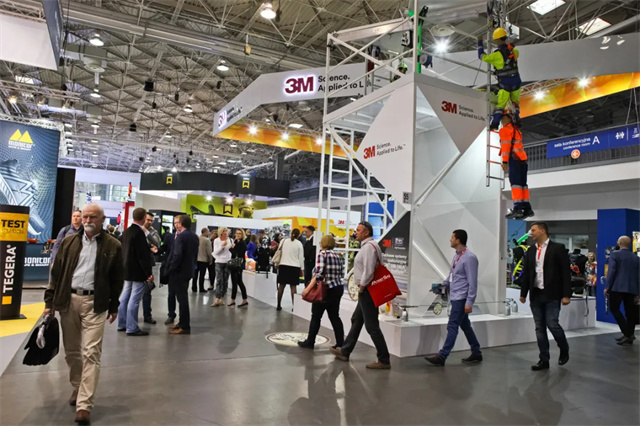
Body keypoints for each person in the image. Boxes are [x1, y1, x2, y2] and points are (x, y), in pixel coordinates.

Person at [43, 202, 124, 425]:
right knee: (71, 352)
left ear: (102, 219)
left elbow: (117, 279)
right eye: (85, 217)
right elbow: (56, 274)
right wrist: (49, 302)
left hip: (95, 304)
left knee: (91, 353)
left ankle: (84, 405)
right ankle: (78, 386)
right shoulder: (69, 242)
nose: (87, 220)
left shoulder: (113, 245)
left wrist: (114, 306)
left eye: (92, 217)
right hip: (68, 301)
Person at [330, 222, 390, 369]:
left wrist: (361, 288)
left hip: (368, 290)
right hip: (367, 290)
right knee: (357, 319)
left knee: (372, 326)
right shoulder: (368, 246)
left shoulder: (369, 248)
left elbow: (368, 272)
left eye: (358, 230)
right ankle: (345, 351)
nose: (355, 232)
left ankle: (384, 360)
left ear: (366, 232)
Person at [425, 230, 482, 366]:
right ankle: (476, 352)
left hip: (461, 298)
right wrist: (442, 286)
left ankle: (442, 356)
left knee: (452, 326)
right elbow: (452, 276)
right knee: (465, 325)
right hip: (455, 296)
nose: (450, 240)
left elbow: (473, 282)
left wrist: (469, 302)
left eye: (452, 237)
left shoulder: (470, 258)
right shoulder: (457, 256)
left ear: (458, 240)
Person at [519, 222, 571, 371]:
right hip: (536, 294)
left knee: (552, 323)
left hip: (552, 294)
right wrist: (523, 293)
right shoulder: (531, 250)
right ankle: (544, 359)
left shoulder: (558, 248)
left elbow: (565, 273)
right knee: (539, 327)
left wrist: (566, 295)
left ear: (542, 231)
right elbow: (527, 273)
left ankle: (564, 348)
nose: (531, 233)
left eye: (533, 230)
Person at [298, 235, 345, 350]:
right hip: (337, 288)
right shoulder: (338, 256)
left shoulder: (322, 254)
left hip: (324, 290)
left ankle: (310, 341)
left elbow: (319, 274)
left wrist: (307, 289)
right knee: (335, 317)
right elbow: (341, 274)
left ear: (322, 243)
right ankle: (340, 344)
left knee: (316, 316)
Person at [117, 207, 154, 336]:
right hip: (137, 271)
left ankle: (122, 323)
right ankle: (132, 327)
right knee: (135, 299)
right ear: (143, 218)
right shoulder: (139, 233)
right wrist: (148, 273)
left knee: (125, 296)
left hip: (127, 269)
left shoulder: (126, 232)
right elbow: (142, 255)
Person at [478, 28, 521, 130]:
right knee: (515, 103)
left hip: (505, 83)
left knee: (500, 105)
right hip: (516, 82)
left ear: (496, 40)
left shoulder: (496, 55)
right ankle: (517, 120)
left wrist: (480, 42)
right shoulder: (514, 51)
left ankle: (495, 123)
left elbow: (481, 56)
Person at [165, 214, 199, 334]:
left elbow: (177, 255)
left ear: (181, 223)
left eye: (177, 222)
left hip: (179, 272)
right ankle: (181, 323)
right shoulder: (194, 236)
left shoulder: (180, 237)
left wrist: (171, 269)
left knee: (182, 299)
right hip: (188, 271)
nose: (176, 225)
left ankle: (184, 326)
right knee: (182, 298)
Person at [604, 236, 640, 346]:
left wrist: (607, 286)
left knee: (614, 309)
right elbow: (638, 275)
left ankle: (627, 333)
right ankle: (628, 335)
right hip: (632, 288)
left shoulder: (615, 254)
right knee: (630, 313)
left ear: (619, 243)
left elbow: (612, 271)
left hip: (617, 287)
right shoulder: (636, 258)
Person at [500, 111, 533, 220]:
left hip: (514, 159)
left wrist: (505, 162)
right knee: (523, 185)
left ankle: (518, 207)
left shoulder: (505, 130)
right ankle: (527, 208)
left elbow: (506, 147)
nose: (502, 121)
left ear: (509, 119)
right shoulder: (516, 130)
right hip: (522, 159)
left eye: (503, 118)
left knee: (515, 184)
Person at [276, 228, 305, 311]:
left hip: (283, 265)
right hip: (294, 267)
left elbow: (279, 252)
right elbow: (301, 258)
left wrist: (277, 264)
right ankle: (294, 306)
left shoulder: (283, 241)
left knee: (281, 286)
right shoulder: (299, 244)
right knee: (293, 287)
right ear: (298, 235)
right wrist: (302, 269)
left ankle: (278, 304)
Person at [142, 212, 160, 324]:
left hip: (148, 264)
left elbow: (157, 243)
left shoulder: (153, 232)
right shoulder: (135, 230)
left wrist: (147, 233)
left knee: (147, 291)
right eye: (148, 220)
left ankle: (147, 315)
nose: (149, 222)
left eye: (151, 221)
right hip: (135, 265)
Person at [159, 224, 176, 325]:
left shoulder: (189, 237)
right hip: (171, 269)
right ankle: (171, 314)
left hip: (182, 271)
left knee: (182, 295)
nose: (177, 225)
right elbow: (163, 248)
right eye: (176, 223)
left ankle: (183, 319)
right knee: (171, 294)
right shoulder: (169, 237)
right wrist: (156, 250)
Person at [212, 227, 232, 307]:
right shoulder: (216, 240)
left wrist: (232, 248)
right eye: (223, 231)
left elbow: (230, 253)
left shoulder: (230, 240)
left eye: (226, 231)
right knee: (219, 280)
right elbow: (215, 252)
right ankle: (217, 299)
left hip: (227, 262)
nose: (225, 232)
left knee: (225, 281)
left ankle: (221, 298)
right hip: (219, 262)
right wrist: (222, 246)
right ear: (220, 232)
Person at [229, 228, 248, 308]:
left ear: (242, 234)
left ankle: (238, 300)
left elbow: (237, 253)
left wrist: (231, 249)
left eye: (240, 233)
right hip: (235, 264)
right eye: (237, 233)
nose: (238, 235)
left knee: (238, 282)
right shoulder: (236, 242)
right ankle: (236, 300)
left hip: (238, 265)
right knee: (237, 282)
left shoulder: (242, 243)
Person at [195, 228, 213, 293]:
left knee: (195, 274)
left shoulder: (197, 238)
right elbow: (209, 251)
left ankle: (194, 287)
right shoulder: (207, 240)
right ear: (205, 232)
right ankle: (201, 288)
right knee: (202, 275)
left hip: (196, 259)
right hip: (204, 260)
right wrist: (210, 259)